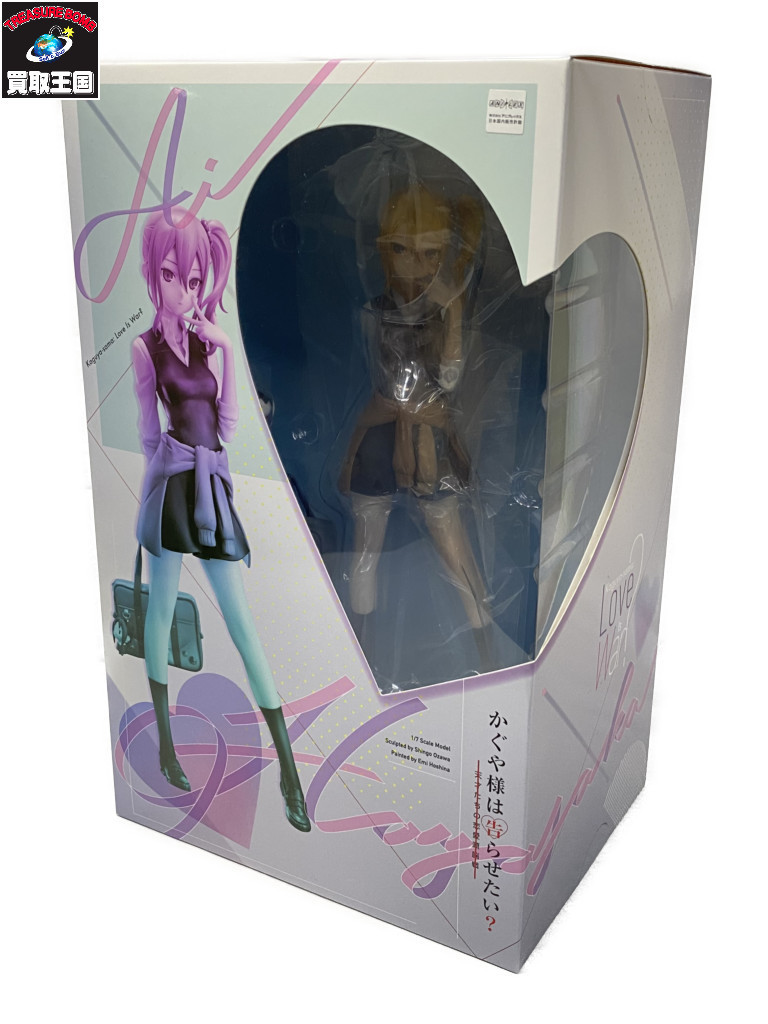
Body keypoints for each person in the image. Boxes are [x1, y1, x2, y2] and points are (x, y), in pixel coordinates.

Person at [132, 207, 310, 832]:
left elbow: (228, 426)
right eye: (171, 275)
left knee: (243, 626)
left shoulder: (209, 343)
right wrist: (150, 503)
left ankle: (289, 771)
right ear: (154, 274)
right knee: (160, 610)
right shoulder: (145, 348)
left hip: (210, 489)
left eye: (193, 279)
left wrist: (228, 348)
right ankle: (165, 747)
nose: (183, 291)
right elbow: (148, 434)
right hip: (171, 489)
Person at [338, 185, 494, 666]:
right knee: (366, 550)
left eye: (430, 253)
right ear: (385, 251)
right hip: (384, 434)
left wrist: (454, 311)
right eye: (402, 250)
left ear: (445, 257)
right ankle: (359, 653)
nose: (415, 264)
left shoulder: (444, 314)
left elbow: (449, 378)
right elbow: (380, 382)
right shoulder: (374, 311)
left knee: (453, 546)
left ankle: (487, 650)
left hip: (428, 440)